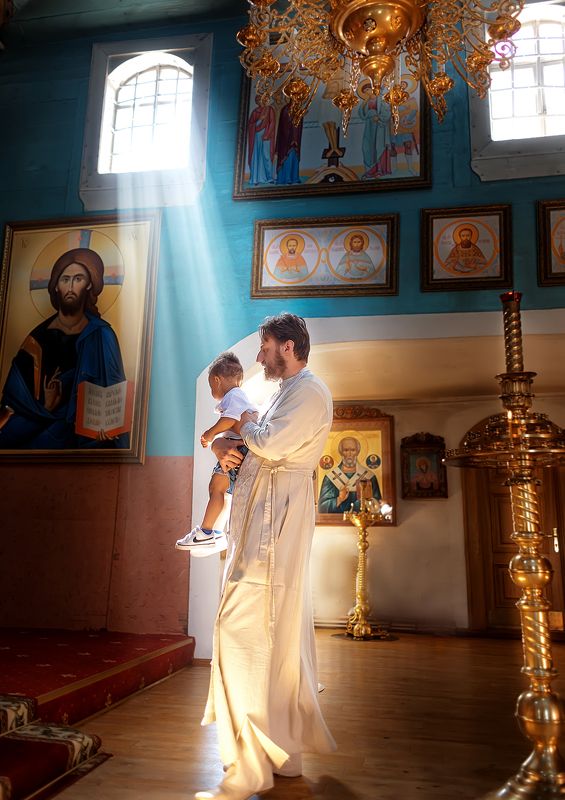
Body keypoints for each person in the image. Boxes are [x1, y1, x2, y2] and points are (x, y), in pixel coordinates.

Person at [196, 313, 336, 800]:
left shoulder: (310, 391)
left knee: (252, 625)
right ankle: (277, 751)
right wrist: (230, 447)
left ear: (290, 347)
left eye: (265, 346)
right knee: (262, 630)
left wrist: (249, 426)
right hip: (263, 515)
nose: (257, 356)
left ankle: (259, 754)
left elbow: (272, 442)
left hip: (277, 524)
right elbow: (257, 444)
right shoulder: (282, 390)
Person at [0, 247, 128, 449]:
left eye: (78, 279)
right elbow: (12, 404)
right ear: (56, 286)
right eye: (65, 279)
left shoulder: (101, 335)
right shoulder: (36, 340)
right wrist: (47, 407)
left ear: (89, 286)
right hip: (38, 431)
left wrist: (109, 426)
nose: (70, 286)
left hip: (86, 436)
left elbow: (115, 392)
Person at [175, 351, 257, 555]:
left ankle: (206, 532)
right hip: (239, 448)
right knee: (218, 488)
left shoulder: (234, 395)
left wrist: (210, 434)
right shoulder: (238, 396)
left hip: (239, 449)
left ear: (217, 380)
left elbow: (230, 419)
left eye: (211, 386)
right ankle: (212, 531)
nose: (212, 389)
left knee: (217, 488)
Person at [318, 435, 381, 514]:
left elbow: (378, 505)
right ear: (341, 452)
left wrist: (364, 502)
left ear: (357, 452)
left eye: (353, 450)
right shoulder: (331, 477)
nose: (349, 454)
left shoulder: (369, 476)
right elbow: (322, 508)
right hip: (337, 522)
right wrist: (339, 499)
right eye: (346, 450)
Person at [247, 95, 276, 185]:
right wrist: (259, 119)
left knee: (266, 156)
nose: (261, 101)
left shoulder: (270, 110)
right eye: (258, 100)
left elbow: (272, 123)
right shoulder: (255, 112)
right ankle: (256, 178)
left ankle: (269, 177)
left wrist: (267, 134)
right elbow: (251, 125)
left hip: (266, 137)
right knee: (256, 156)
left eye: (262, 99)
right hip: (256, 137)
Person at [275, 101, 303, 185]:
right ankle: (286, 178)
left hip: (295, 140)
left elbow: (298, 125)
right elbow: (284, 126)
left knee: (294, 158)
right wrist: (291, 137)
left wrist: (300, 116)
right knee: (287, 158)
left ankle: (294, 177)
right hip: (287, 141)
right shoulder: (286, 109)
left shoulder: (298, 109)